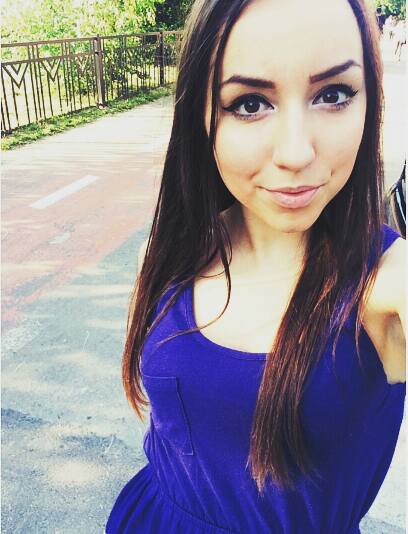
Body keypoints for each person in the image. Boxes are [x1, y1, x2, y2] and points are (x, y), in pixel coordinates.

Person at [107, 0, 406, 532]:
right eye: (249, 103)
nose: (296, 153)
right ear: (202, 116)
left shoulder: (385, 283)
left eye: (333, 95)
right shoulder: (169, 253)